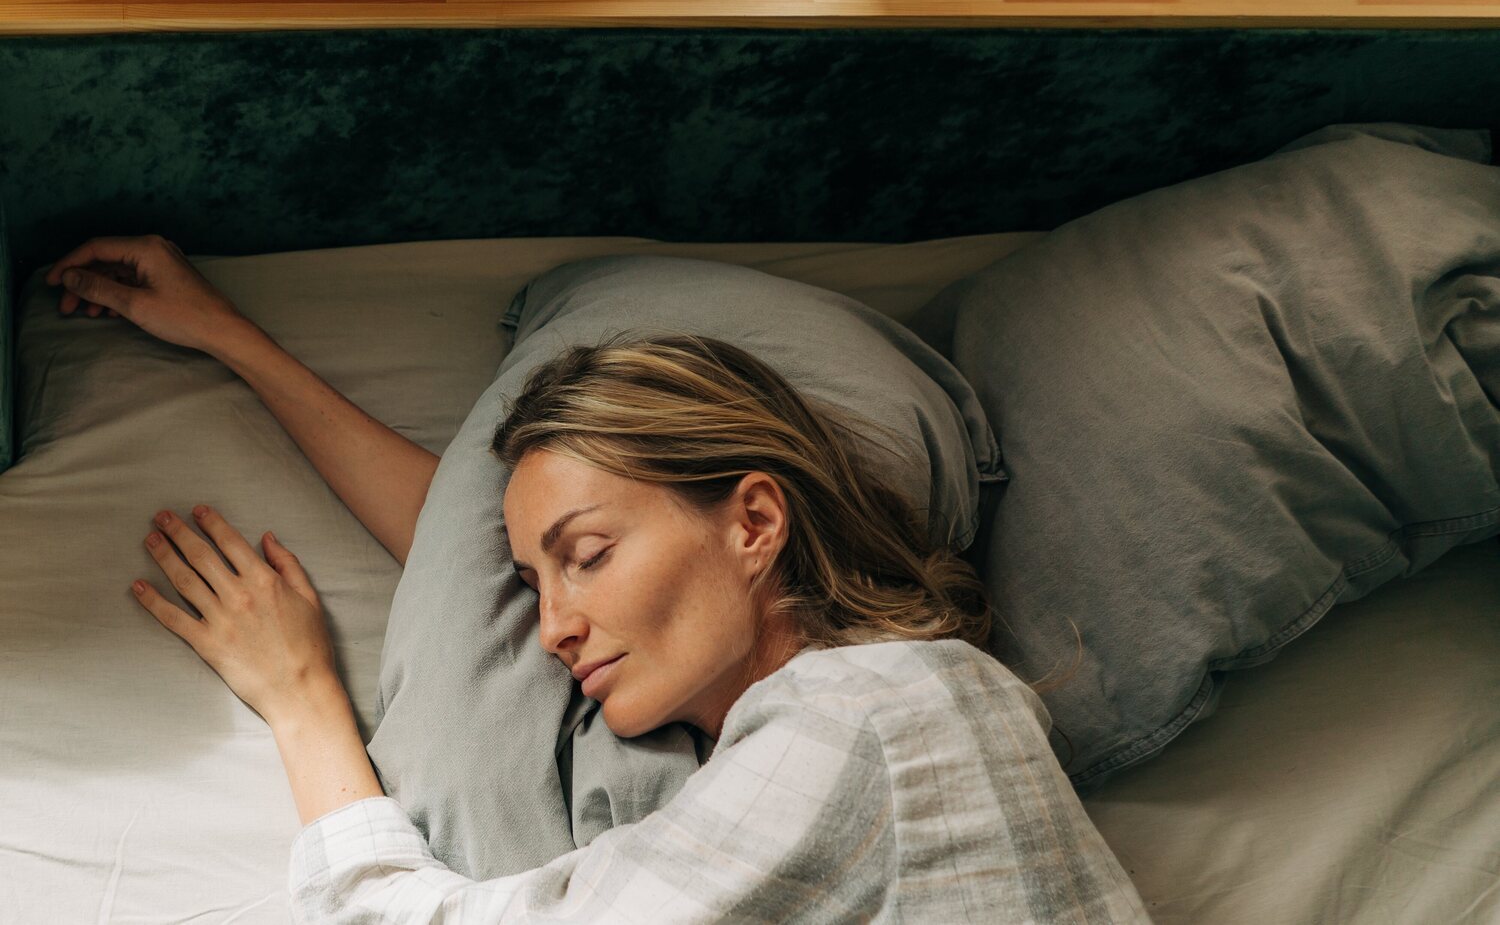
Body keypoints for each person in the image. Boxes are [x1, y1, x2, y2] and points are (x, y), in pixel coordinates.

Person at [49, 234, 1155, 923]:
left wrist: (303, 703)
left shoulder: (873, 720)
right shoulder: (862, 719)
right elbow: (457, 547)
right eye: (534, 585)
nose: (550, 630)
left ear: (755, 519)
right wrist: (234, 341)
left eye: (588, 559)